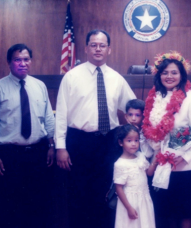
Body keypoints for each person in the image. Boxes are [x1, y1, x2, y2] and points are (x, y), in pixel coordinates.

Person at [54, 29, 136, 228]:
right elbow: (61, 114)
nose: (98, 49)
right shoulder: (71, 77)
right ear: (86, 48)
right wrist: (60, 147)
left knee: (106, 191)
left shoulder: (116, 78)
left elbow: (133, 107)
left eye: (102, 45)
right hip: (79, 142)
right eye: (93, 45)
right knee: (79, 192)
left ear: (109, 49)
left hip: (109, 142)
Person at [0, 44, 55, 228]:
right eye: (17, 59)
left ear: (31, 61)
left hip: (38, 152)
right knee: (9, 204)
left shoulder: (40, 86)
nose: (23, 63)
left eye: (26, 59)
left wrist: (52, 145)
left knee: (38, 202)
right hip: (9, 154)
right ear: (9, 62)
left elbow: (48, 119)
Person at [142, 51, 191, 228]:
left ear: (182, 74)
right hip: (159, 164)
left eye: (174, 72)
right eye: (165, 72)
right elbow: (149, 131)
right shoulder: (153, 97)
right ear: (159, 75)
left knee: (184, 212)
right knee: (164, 212)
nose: (169, 76)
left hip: (185, 165)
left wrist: (182, 155)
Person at [114, 124, 157, 228]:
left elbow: (149, 172)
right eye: (129, 141)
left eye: (136, 140)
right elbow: (118, 188)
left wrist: (157, 157)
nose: (134, 144)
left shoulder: (140, 156)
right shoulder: (120, 164)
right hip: (130, 202)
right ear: (121, 142)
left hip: (144, 198)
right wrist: (129, 208)